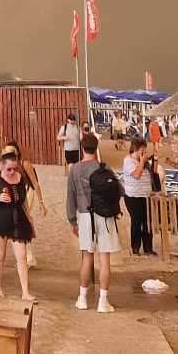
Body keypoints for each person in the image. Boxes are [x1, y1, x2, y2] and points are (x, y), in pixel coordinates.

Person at [65, 132, 120, 312]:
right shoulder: (104, 168)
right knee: (105, 260)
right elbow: (120, 190)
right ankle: (103, 301)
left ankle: (82, 298)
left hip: (84, 215)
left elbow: (70, 197)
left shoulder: (75, 170)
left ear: (82, 148)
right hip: (104, 216)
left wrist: (72, 221)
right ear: (96, 148)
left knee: (86, 258)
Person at [0, 149, 35, 301]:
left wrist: (29, 217)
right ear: (2, 166)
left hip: (18, 219)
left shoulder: (20, 178)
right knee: (0, 256)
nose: (12, 172)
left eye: (15, 168)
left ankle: (25, 292)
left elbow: (23, 201)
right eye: (9, 169)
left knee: (22, 256)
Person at [121, 136, 159, 255]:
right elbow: (137, 174)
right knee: (136, 222)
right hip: (133, 196)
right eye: (142, 150)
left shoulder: (145, 161)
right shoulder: (128, 161)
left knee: (148, 222)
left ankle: (148, 247)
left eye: (145, 150)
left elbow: (153, 174)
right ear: (135, 149)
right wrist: (142, 162)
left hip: (146, 195)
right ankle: (135, 247)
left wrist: (154, 161)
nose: (144, 153)